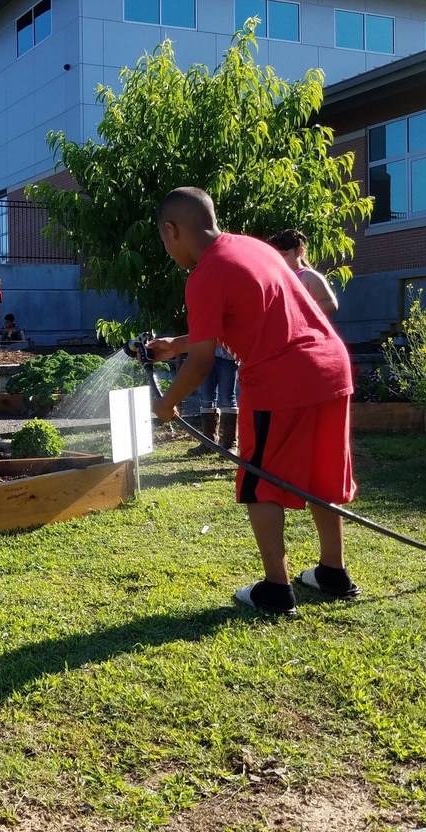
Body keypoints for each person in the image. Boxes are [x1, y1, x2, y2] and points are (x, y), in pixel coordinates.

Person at [148, 187, 358, 617]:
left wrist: (166, 403)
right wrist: (178, 344)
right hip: (332, 368)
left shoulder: (204, 274)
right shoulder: (252, 248)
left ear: (172, 230)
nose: (169, 251)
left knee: (259, 481)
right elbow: (238, 323)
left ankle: (276, 590)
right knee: (321, 473)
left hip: (283, 378)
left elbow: (203, 365)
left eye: (164, 241)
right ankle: (332, 573)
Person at [267, 229, 339, 317]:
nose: (280, 259)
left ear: (299, 251)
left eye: (284, 254)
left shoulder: (309, 276)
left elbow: (331, 304)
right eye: (277, 255)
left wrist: (300, 310)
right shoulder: (275, 276)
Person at [189, 344, 239, 455]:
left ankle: (230, 444)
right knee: (206, 399)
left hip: (227, 356)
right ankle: (208, 443)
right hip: (206, 356)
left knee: (227, 398)